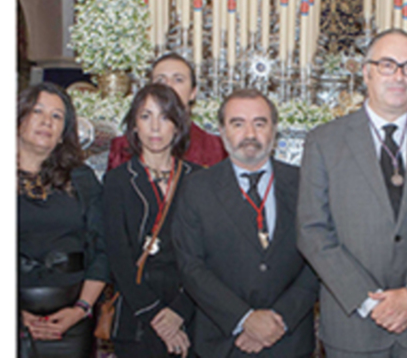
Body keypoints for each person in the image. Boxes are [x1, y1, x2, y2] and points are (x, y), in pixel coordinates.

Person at [297, 29, 407, 357]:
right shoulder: (324, 141)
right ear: (366, 72)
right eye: (388, 65)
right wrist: (369, 302)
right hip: (354, 325)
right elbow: (312, 231)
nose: (399, 76)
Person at [173, 89, 318, 357]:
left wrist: (280, 319)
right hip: (223, 340)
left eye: (260, 123)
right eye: (237, 123)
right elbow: (190, 265)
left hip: (288, 340)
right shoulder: (197, 188)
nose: (250, 134)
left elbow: (319, 259)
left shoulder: (304, 184)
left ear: (274, 130)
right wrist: (245, 319)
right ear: (221, 130)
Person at [103, 84, 200, 357]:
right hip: (137, 313)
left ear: (178, 125)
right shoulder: (118, 181)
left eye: (165, 117)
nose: (155, 127)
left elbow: (209, 255)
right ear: (134, 125)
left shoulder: (199, 180)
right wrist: (158, 318)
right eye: (146, 116)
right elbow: (117, 257)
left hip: (189, 309)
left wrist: (179, 312)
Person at [18, 82, 109, 357]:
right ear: (19, 118)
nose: (47, 121)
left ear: (63, 133)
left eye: (57, 116)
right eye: (38, 111)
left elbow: (103, 249)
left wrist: (81, 309)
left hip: (72, 322)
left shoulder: (82, 179)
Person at [107, 53, 227, 171]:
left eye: (178, 79)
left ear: (193, 93)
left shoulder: (216, 147)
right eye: (161, 80)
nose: (168, 86)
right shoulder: (122, 147)